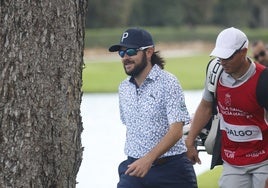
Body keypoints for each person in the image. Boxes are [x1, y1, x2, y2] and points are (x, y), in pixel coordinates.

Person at [109, 28, 197, 188]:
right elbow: (132, 128)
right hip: (134, 170)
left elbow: (177, 130)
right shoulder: (123, 88)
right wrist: (139, 161)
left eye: (130, 51)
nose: (125, 58)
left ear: (149, 52)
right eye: (121, 53)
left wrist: (148, 159)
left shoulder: (168, 82)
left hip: (171, 171)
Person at [185, 27, 268, 188]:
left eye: (228, 57)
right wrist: (189, 142)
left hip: (264, 161)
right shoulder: (215, 71)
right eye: (220, 56)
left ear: (243, 52)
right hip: (232, 161)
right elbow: (205, 106)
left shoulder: (263, 79)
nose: (222, 61)